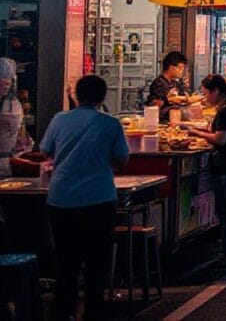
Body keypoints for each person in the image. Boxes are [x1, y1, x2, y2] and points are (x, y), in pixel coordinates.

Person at [40, 75, 129, 320]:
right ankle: (94, 312)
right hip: (98, 199)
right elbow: (122, 157)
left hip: (61, 199)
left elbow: (45, 150)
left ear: (77, 95)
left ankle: (62, 312)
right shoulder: (110, 124)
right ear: (102, 97)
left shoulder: (59, 120)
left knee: (66, 262)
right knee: (96, 263)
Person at [187, 75, 226, 267]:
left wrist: (196, 133)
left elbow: (220, 139)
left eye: (206, 93)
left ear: (216, 91)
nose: (205, 97)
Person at [0, 57, 32, 177]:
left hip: (9, 165)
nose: (7, 85)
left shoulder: (14, 104)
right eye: (5, 81)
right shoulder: (14, 105)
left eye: (9, 82)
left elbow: (21, 134)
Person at [147, 51, 188, 122]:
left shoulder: (174, 83)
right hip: (161, 122)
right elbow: (155, 104)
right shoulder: (159, 83)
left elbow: (184, 97)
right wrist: (170, 99)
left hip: (175, 120)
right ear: (171, 67)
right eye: (180, 68)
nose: (181, 71)